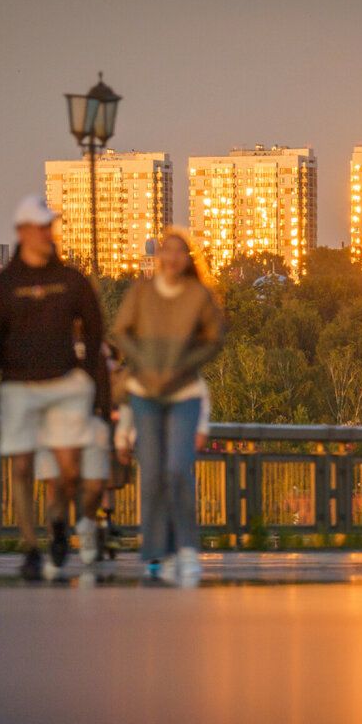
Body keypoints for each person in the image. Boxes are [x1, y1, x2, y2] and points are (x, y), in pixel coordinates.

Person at [0, 195, 110, 580]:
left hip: (66, 384)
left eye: (50, 225)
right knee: (21, 464)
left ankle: (57, 522)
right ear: (22, 232)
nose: (47, 232)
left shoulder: (70, 280)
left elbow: (96, 324)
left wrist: (85, 373)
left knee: (68, 470)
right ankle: (32, 547)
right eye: (40, 226)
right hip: (19, 386)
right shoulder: (2, 287)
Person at [110, 228, 224, 583]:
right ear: (158, 257)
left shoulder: (197, 295)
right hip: (146, 392)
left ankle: (187, 549)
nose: (172, 257)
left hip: (183, 393)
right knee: (155, 473)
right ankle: (157, 553)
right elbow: (121, 331)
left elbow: (215, 336)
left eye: (179, 251)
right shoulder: (142, 292)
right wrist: (143, 360)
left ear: (187, 259)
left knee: (177, 468)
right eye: (166, 251)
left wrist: (188, 361)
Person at [34, 342, 115, 565]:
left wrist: (107, 421)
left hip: (92, 419)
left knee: (96, 485)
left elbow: (107, 388)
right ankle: (56, 540)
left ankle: (87, 524)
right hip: (55, 421)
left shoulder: (98, 348)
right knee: (56, 486)